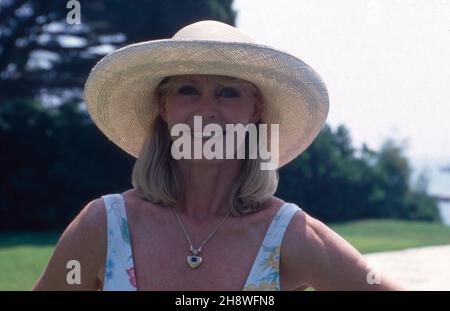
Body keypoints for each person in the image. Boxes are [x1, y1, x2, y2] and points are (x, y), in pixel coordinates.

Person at [32, 20, 402, 291]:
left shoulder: (286, 233)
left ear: (254, 109)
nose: (205, 111)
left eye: (227, 93)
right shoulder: (105, 224)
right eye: (188, 90)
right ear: (163, 106)